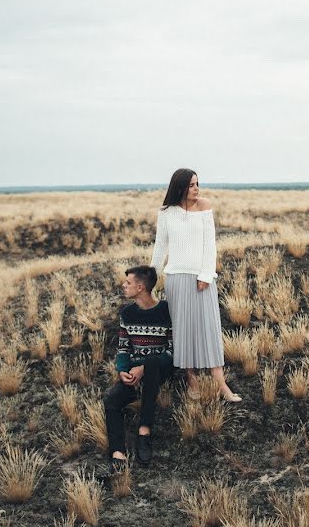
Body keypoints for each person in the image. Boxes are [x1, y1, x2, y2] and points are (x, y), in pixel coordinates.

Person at [150, 168, 241, 402]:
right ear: (179, 186)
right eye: (191, 185)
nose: (197, 188)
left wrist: (206, 275)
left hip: (203, 279)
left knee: (209, 330)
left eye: (197, 183)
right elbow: (160, 248)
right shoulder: (166, 213)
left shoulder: (204, 206)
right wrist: (150, 278)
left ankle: (222, 386)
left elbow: (210, 245)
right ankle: (191, 380)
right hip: (176, 279)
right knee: (183, 331)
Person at [103, 266, 173, 469]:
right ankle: (118, 455)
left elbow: (172, 351)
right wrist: (123, 370)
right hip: (134, 373)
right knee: (112, 399)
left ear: (140, 287)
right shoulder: (127, 313)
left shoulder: (166, 311)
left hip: (159, 369)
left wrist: (143, 368)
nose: (123, 286)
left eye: (128, 283)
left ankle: (144, 431)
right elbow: (123, 348)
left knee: (151, 362)